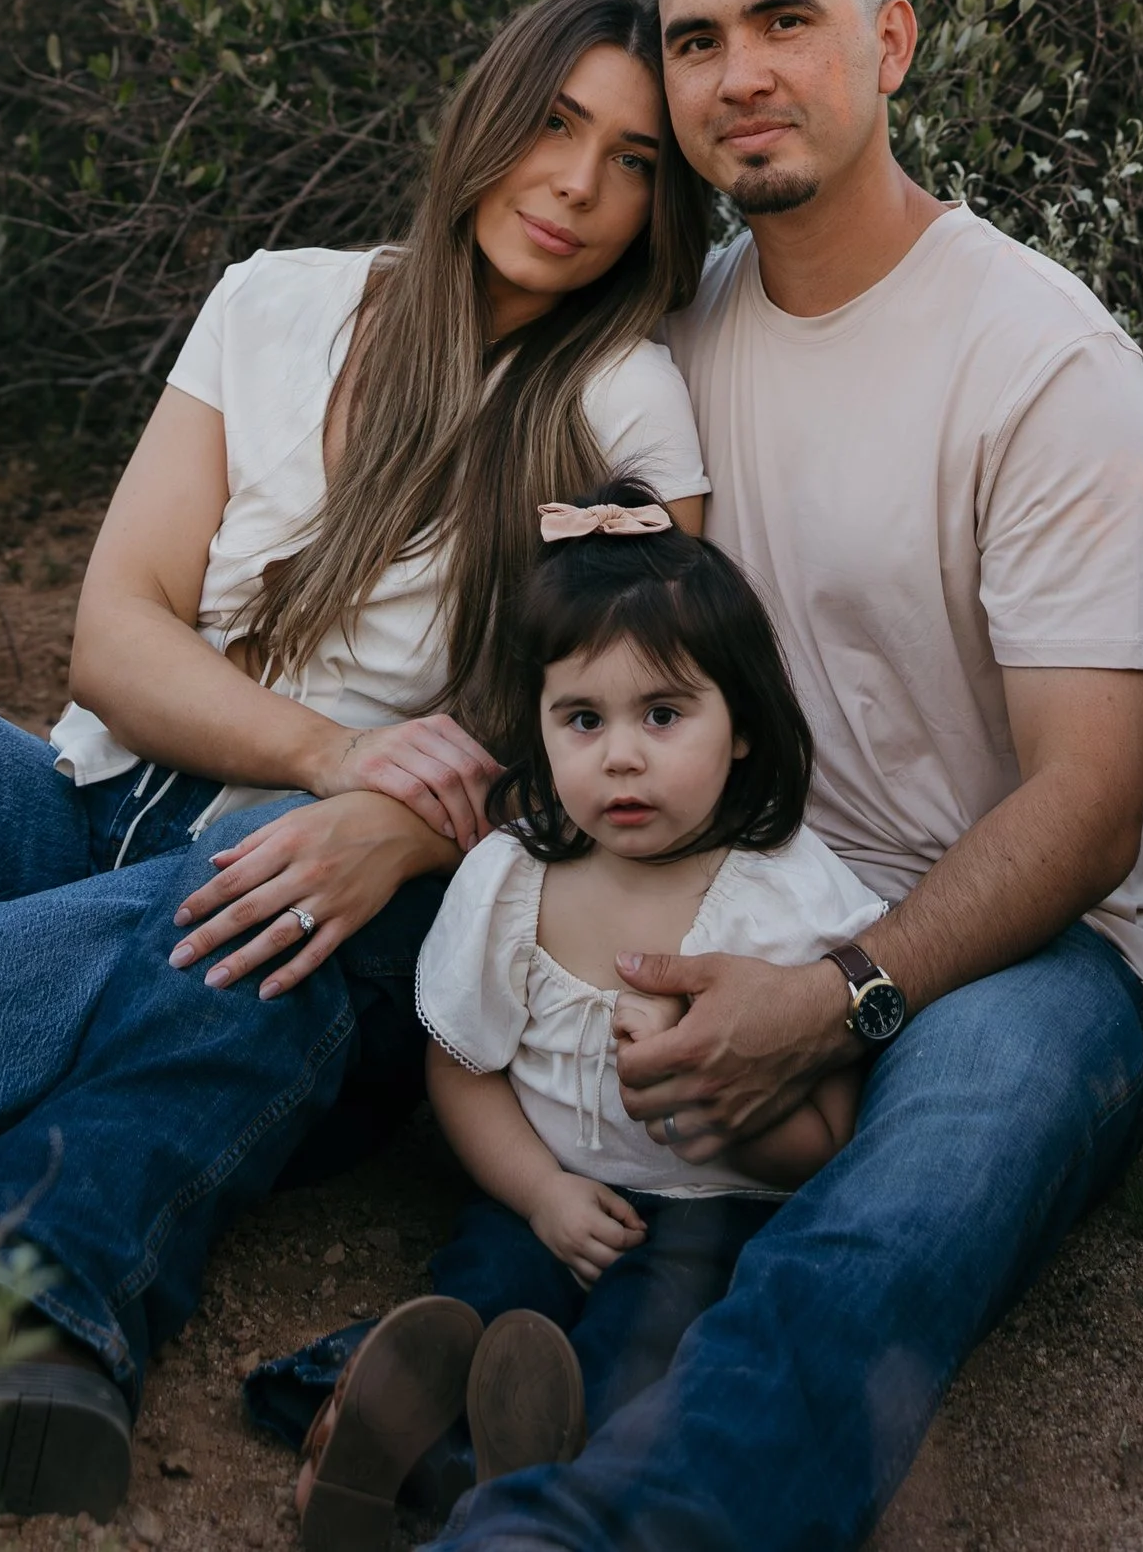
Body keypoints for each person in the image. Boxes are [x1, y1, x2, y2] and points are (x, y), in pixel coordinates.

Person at [0, 0, 712, 1521]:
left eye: (635, 161)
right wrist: (340, 760)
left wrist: (402, 827)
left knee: (265, 901)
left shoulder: (620, 394)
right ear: (486, 116)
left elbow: (627, 713)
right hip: (90, 801)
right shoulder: (278, 299)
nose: (578, 183)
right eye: (556, 123)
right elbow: (116, 636)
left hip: (338, 911)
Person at [432, 0, 1143, 1552]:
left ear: (890, 41)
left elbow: (1088, 804)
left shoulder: (1046, 369)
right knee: (552, 1107)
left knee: (882, 1218)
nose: (740, 75)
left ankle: (597, 1532)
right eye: (697, 39)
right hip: (720, 881)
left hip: (1020, 950)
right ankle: (427, 1415)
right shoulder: (669, 346)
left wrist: (839, 991)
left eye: (787, 20)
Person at [294, 489, 883, 1551]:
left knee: (638, 1352)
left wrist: (712, 1107)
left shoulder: (791, 902)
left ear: (742, 727)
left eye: (663, 715)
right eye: (583, 720)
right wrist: (542, 1192)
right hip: (548, 1196)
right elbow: (463, 1068)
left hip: (709, 1221)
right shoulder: (513, 879)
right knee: (483, 1292)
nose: (620, 756)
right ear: (539, 727)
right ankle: (390, 1425)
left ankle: (497, 1466)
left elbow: (829, 1141)